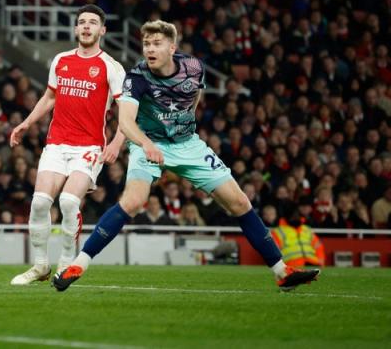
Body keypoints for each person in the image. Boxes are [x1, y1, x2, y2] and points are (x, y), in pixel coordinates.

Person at [53, 20, 319, 292]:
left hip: (188, 144)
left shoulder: (194, 67)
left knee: (239, 202)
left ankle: (281, 272)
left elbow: (195, 95)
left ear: (172, 48)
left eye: (157, 44)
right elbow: (126, 122)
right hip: (150, 142)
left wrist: (186, 122)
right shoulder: (137, 78)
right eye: (146, 44)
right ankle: (79, 264)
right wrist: (146, 143)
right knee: (133, 201)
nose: (150, 50)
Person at [8, 4, 126, 285]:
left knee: (69, 201)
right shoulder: (61, 60)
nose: (86, 26)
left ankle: (66, 264)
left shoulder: (111, 67)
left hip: (89, 147)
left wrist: (117, 143)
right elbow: (50, 97)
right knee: (39, 204)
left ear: (102, 30)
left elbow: (128, 113)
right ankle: (40, 266)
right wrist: (27, 122)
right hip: (57, 143)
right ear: (75, 29)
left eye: (92, 22)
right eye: (82, 22)